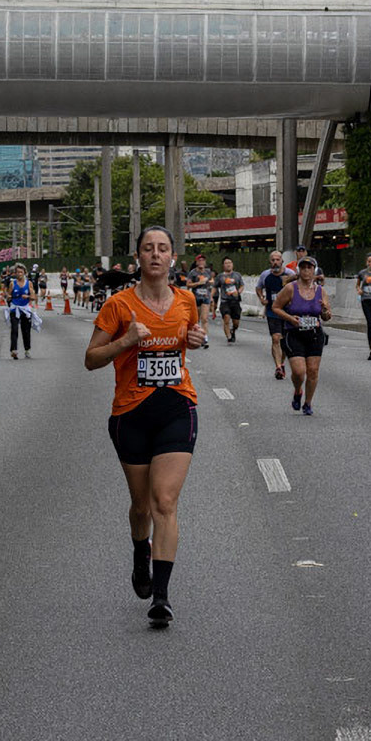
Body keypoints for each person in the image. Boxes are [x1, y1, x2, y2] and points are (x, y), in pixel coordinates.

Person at [85, 226, 206, 627]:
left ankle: (161, 596)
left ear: (173, 256)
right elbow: (91, 358)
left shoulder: (187, 300)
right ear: (138, 256)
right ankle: (141, 552)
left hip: (176, 406)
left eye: (163, 249)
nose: (156, 255)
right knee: (141, 507)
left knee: (165, 503)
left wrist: (195, 339)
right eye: (148, 249)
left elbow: (193, 337)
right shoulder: (119, 306)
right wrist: (125, 343)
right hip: (130, 414)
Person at [272, 255, 332, 414]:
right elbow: (276, 307)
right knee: (299, 372)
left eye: (309, 267)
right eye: (303, 267)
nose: (306, 270)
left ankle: (308, 403)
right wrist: (291, 319)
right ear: (299, 270)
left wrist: (325, 311)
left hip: (314, 334)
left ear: (314, 270)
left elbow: (326, 316)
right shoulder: (291, 288)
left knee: (312, 371)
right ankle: (298, 390)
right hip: (294, 334)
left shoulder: (321, 291)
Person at [255, 250, 296, 379]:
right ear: (270, 261)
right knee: (276, 338)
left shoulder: (290, 274)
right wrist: (262, 298)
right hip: (272, 311)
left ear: (282, 261)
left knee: (284, 342)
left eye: (277, 259)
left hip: (287, 312)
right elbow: (258, 287)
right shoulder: (265, 275)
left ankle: (282, 363)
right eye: (273, 260)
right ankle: (278, 366)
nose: (275, 262)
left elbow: (298, 288)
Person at [7, 262, 38, 359]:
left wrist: (28, 296)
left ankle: (27, 349)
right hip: (15, 308)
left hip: (25, 309)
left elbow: (33, 297)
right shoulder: (13, 283)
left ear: (24, 272)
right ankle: (14, 350)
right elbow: (8, 295)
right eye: (17, 272)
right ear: (15, 273)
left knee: (26, 331)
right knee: (14, 329)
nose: (19, 274)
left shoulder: (29, 283)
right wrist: (9, 297)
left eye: (21, 272)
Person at [214, 257, 245, 343]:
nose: (228, 264)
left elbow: (242, 285)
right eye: (226, 263)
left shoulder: (237, 275)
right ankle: (229, 337)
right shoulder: (220, 276)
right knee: (226, 318)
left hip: (235, 301)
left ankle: (233, 331)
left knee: (236, 323)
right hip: (225, 301)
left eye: (230, 262)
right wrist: (212, 298)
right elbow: (214, 286)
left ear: (232, 264)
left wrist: (238, 292)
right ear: (223, 265)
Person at [186, 253, 213, 348]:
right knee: (196, 320)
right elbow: (188, 285)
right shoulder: (193, 273)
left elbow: (211, 283)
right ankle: (197, 337)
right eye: (200, 260)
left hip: (206, 296)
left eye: (203, 261)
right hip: (195, 297)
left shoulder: (208, 272)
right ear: (196, 262)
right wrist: (198, 283)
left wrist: (211, 293)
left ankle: (205, 338)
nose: (201, 262)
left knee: (204, 319)